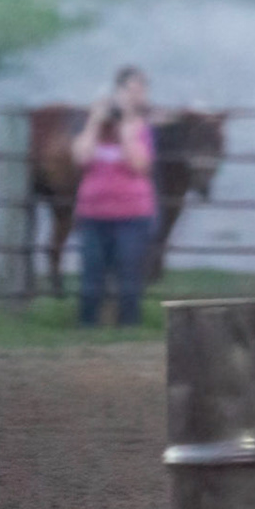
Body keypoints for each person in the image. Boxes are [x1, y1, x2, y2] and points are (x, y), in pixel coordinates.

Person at [70, 65, 157, 327]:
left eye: (139, 91)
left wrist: (125, 129)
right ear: (116, 92)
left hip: (131, 215)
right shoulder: (95, 129)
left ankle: (128, 328)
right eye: (129, 90)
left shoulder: (142, 129)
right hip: (93, 214)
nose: (134, 96)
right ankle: (88, 326)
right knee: (91, 275)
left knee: (129, 275)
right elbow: (81, 157)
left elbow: (139, 165)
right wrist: (95, 122)